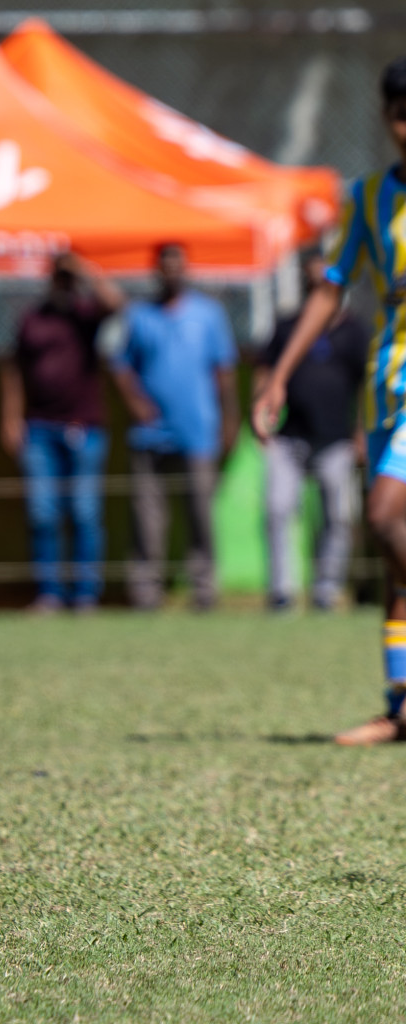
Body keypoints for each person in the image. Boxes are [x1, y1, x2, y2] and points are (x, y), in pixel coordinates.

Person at [253, 56, 406, 743]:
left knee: (384, 516)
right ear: (385, 117)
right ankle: (400, 708)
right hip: (388, 387)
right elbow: (330, 288)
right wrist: (279, 373)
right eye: (399, 112)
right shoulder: (368, 197)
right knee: (393, 556)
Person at [112, 242, 238, 612]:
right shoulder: (138, 315)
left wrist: (230, 418)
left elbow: (224, 371)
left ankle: (204, 590)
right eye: (165, 266)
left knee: (200, 511)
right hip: (150, 432)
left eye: (177, 265)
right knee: (147, 517)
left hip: (198, 428)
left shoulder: (209, 314)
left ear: (186, 270)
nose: (172, 272)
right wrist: (134, 401)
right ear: (156, 271)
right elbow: (118, 362)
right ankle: (145, 592)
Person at [1, 253, 126, 613]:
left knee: (85, 512)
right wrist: (11, 419)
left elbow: (117, 304)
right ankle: (50, 593)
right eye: (60, 278)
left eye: (68, 280)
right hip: (39, 429)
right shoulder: (33, 319)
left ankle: (86, 594)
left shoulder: (86, 315)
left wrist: (85, 271)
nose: (64, 285)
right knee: (43, 513)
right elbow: (14, 370)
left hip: (84, 428)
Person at [256, 250, 369, 612]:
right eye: (313, 283)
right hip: (288, 436)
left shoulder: (355, 331)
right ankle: (281, 593)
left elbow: (365, 384)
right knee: (277, 510)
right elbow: (265, 372)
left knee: (338, 516)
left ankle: (326, 591)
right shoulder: (287, 326)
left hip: (336, 438)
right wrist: (259, 407)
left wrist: (362, 431)